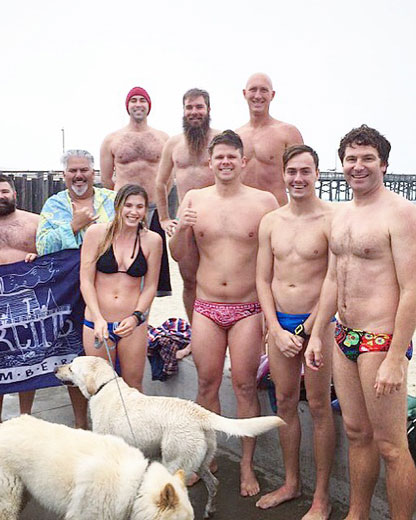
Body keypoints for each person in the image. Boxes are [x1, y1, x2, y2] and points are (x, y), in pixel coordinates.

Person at [305, 125, 416, 520]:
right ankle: (358, 514)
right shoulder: (340, 215)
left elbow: (412, 288)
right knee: (357, 434)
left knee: (391, 446)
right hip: (343, 336)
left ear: (384, 164)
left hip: (380, 339)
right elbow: (334, 279)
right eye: (351, 159)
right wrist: (318, 333)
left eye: (367, 158)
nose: (358, 166)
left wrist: (396, 357)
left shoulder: (401, 213)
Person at [169, 130, 278, 495]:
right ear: (210, 162)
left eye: (233, 156)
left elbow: (278, 256)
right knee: (206, 384)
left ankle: (247, 466)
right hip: (207, 306)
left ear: (243, 161)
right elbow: (179, 254)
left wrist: (271, 318)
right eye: (220, 157)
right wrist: (182, 227)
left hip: (248, 308)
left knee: (246, 386)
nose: (226, 162)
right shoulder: (195, 199)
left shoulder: (264, 202)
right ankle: (207, 459)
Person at [256, 145, 335, 519]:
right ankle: (291, 483)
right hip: (279, 325)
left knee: (319, 407)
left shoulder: (331, 220)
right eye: (292, 172)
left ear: (318, 173)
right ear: (284, 174)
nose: (298, 179)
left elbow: (334, 282)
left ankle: (321, 497)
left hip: (319, 324)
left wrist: (309, 329)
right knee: (285, 402)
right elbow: (262, 278)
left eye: (306, 171)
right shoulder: (271, 221)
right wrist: (273, 328)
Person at [37, 149, 116, 427]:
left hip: (108, 288)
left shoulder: (111, 200)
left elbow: (130, 235)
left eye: (84, 170)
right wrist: (75, 225)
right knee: (75, 358)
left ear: (93, 173)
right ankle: (81, 423)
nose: (79, 175)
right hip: (68, 292)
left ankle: (110, 423)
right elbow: (42, 246)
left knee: (108, 354)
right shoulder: (53, 204)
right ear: (64, 175)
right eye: (73, 170)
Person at [79, 184, 162, 390]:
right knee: (100, 388)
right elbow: (86, 280)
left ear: (145, 210)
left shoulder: (153, 240)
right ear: (118, 206)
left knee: (133, 385)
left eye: (140, 207)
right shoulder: (97, 233)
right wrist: (98, 318)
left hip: (131, 324)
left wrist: (136, 317)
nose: (134, 212)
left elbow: (150, 286)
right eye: (129, 205)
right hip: (97, 322)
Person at [155, 88, 220, 322]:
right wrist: (163, 218)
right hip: (187, 223)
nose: (194, 112)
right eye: (189, 107)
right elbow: (160, 183)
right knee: (189, 280)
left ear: (208, 109)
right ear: (183, 111)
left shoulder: (221, 140)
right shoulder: (174, 144)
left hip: (218, 223)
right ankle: (196, 332)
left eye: (199, 107)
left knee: (219, 281)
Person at [100, 86, 171, 296]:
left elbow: (170, 177)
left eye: (142, 100)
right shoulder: (112, 140)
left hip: (154, 209)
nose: (138, 104)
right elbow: (106, 179)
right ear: (127, 106)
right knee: (121, 264)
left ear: (149, 106)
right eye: (134, 100)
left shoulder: (163, 139)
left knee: (152, 268)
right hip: (123, 210)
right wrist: (124, 204)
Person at [0, 174, 39, 431]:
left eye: (5, 191)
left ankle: (25, 416)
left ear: (15, 194)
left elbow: (54, 253)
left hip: (28, 298)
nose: (0, 196)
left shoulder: (34, 222)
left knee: (30, 358)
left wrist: (37, 255)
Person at [236, 73, 303, 206]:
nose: (258, 96)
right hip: (244, 213)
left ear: (272, 95)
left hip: (277, 211)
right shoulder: (236, 136)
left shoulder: (288, 133)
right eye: (253, 89)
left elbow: (303, 175)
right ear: (244, 93)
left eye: (264, 90)